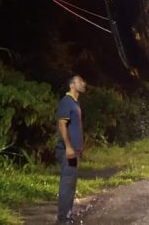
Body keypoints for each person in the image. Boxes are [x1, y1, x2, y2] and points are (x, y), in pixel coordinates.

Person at [56, 75, 86, 223]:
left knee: (71, 184)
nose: (83, 83)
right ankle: (63, 219)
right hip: (68, 151)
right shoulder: (66, 102)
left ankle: (67, 215)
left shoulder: (75, 103)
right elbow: (62, 125)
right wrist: (68, 147)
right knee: (67, 183)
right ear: (72, 85)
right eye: (80, 81)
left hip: (75, 151)